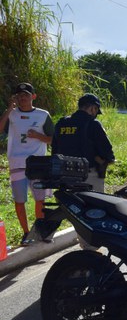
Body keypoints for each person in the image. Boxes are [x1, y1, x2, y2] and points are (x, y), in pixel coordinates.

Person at [1, 82, 54, 245]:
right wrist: (9, 109)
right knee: (19, 200)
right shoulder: (12, 114)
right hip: (17, 162)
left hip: (37, 164)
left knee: (40, 199)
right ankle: (26, 233)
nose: (23, 97)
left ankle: (39, 231)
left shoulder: (43, 115)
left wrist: (38, 136)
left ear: (33, 97)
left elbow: (53, 140)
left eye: (26, 94)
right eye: (19, 95)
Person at [52, 93, 115, 194]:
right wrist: (107, 160)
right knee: (96, 206)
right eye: (96, 110)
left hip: (64, 174)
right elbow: (106, 149)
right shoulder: (93, 124)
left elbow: (54, 147)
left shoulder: (61, 123)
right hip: (88, 173)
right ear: (93, 108)